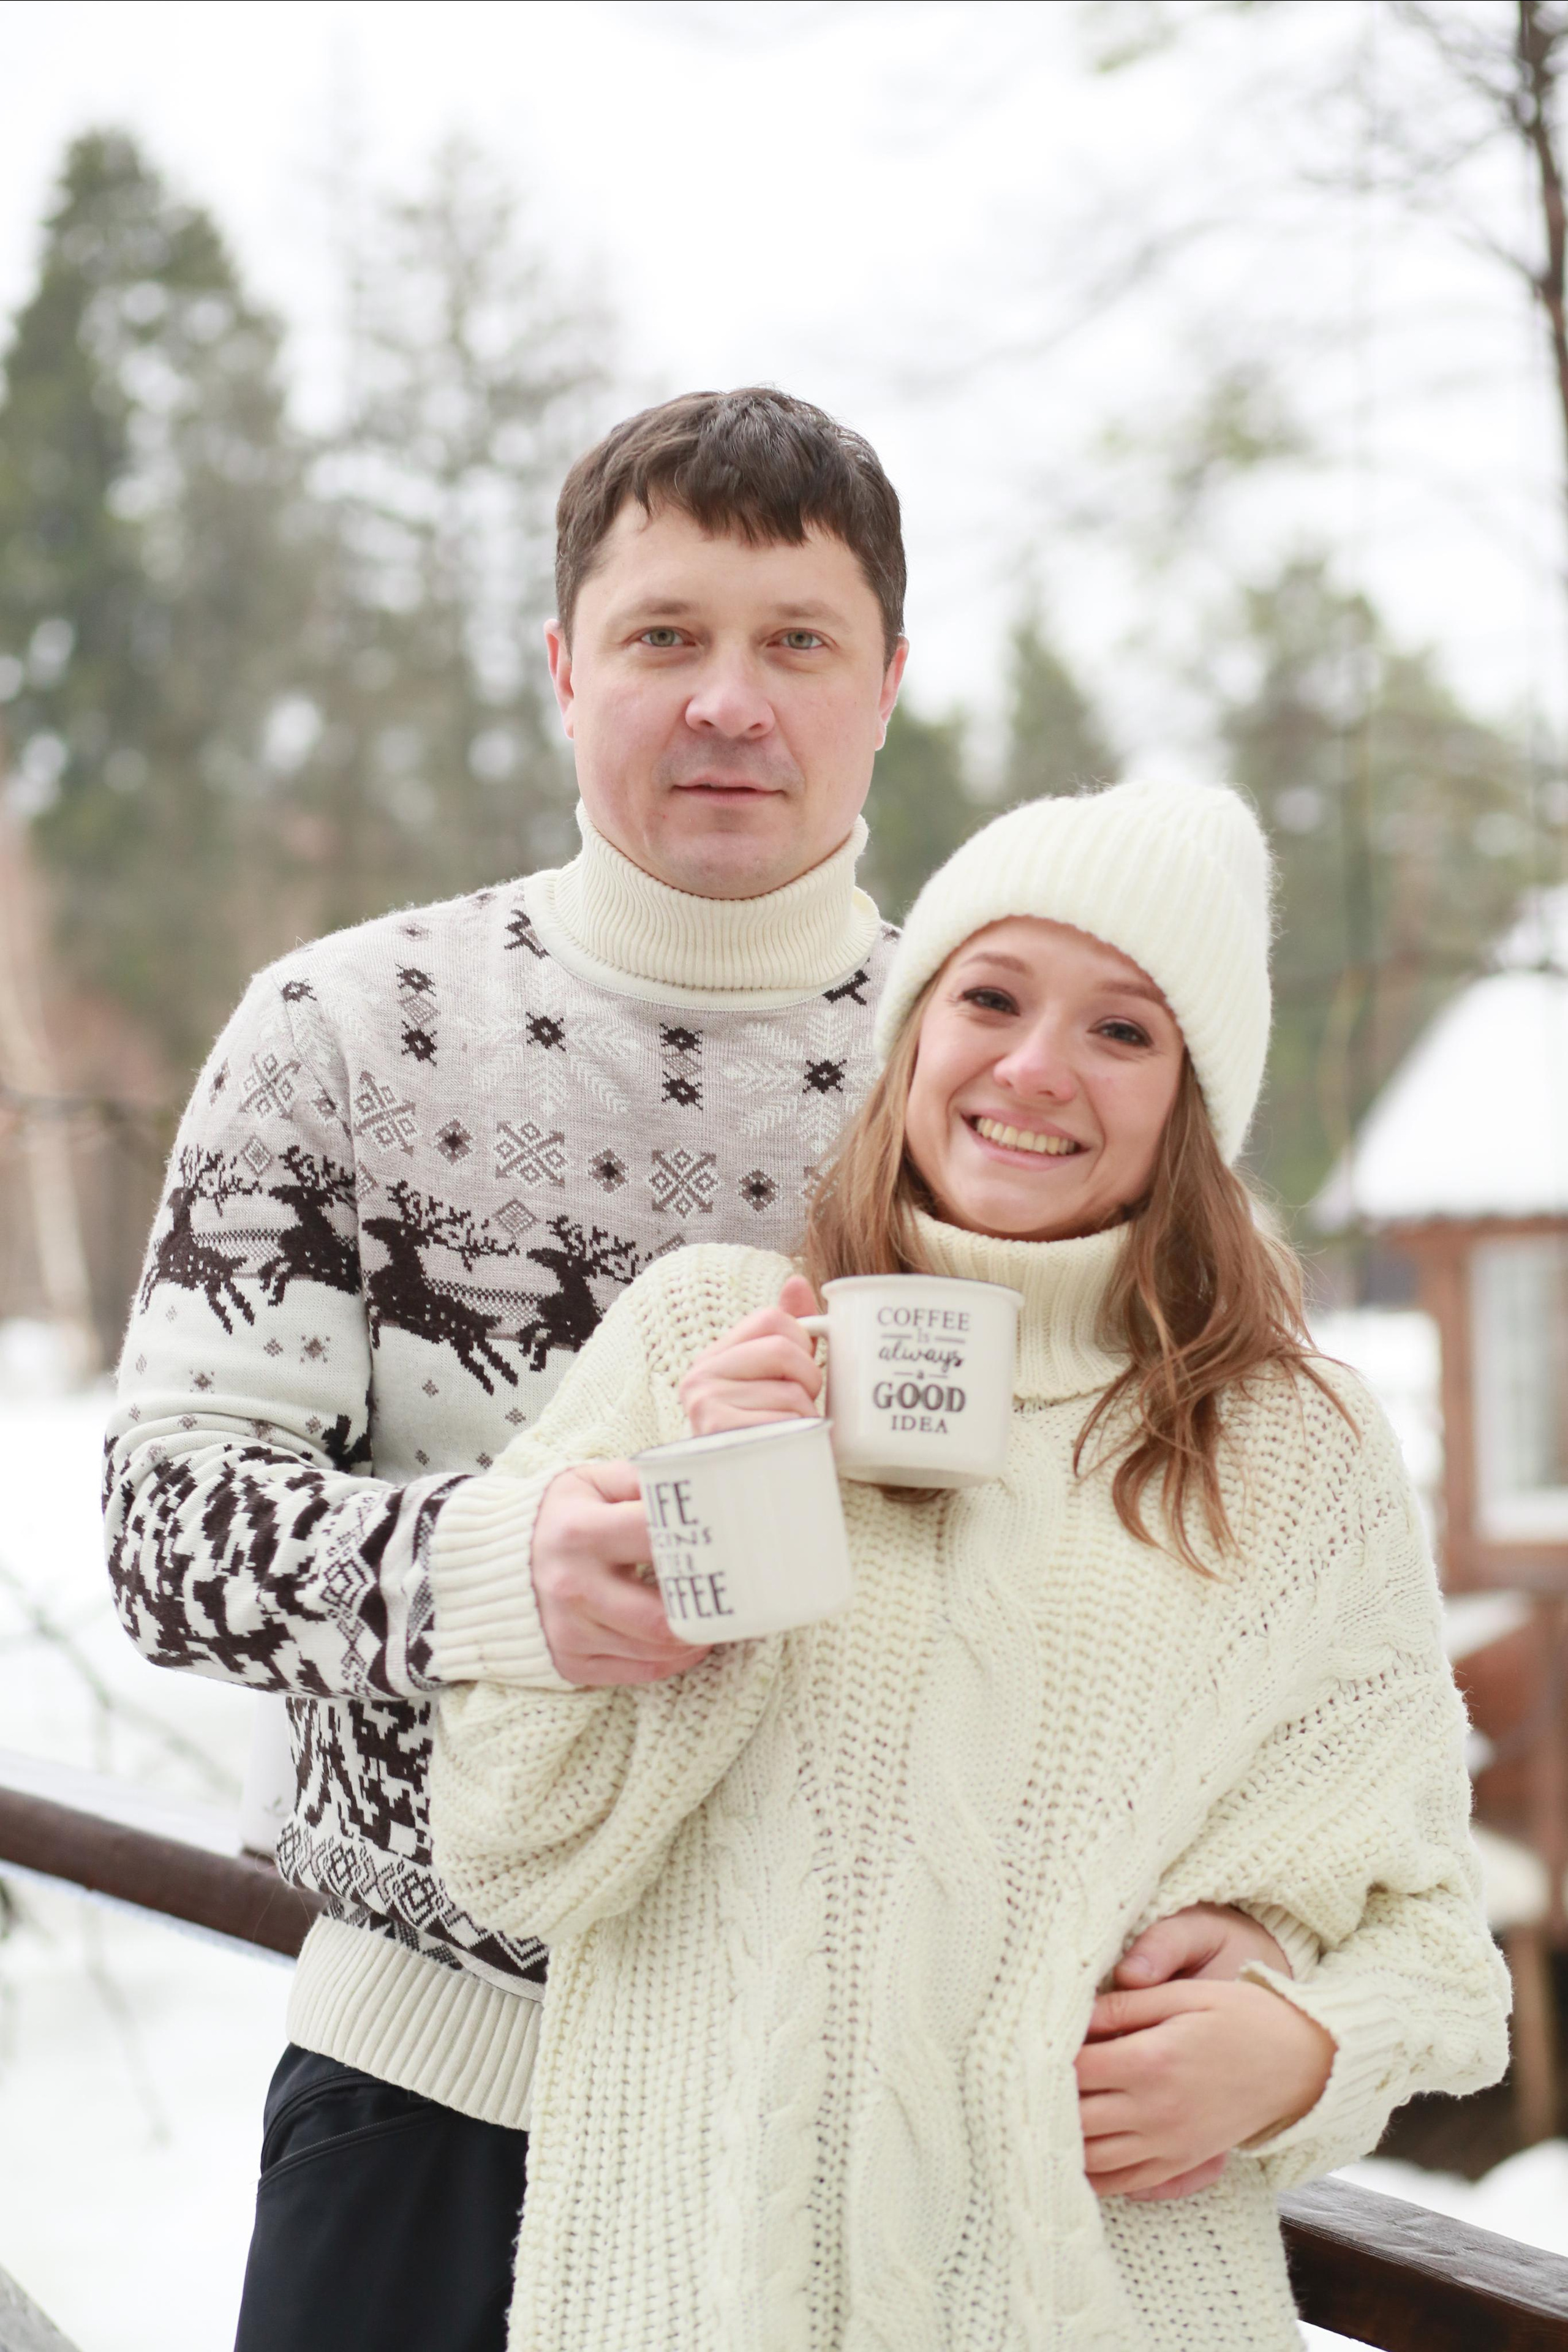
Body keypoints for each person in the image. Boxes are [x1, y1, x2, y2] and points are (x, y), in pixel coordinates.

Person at [106, 390, 1286, 2350]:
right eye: (665, 635)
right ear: (566, 667)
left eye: (797, 642)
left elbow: (1189, 1572)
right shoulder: (339, 1034)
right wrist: (506, 1573)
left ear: (885, 684)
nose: (730, 701)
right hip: (434, 2094)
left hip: (849, 2158)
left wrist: (1265, 1946)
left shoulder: (1016, 1077)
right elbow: (168, 1539)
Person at [430, 777, 1509, 2350]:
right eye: (989, 998)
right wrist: (713, 1524)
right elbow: (512, 1852)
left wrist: (1299, 2050)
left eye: (1121, 1030)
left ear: (1190, 1101)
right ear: (912, 1032)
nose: (1033, 1067)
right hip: (695, 2305)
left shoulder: (1292, 1448)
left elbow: (1437, 1950)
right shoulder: (698, 1337)